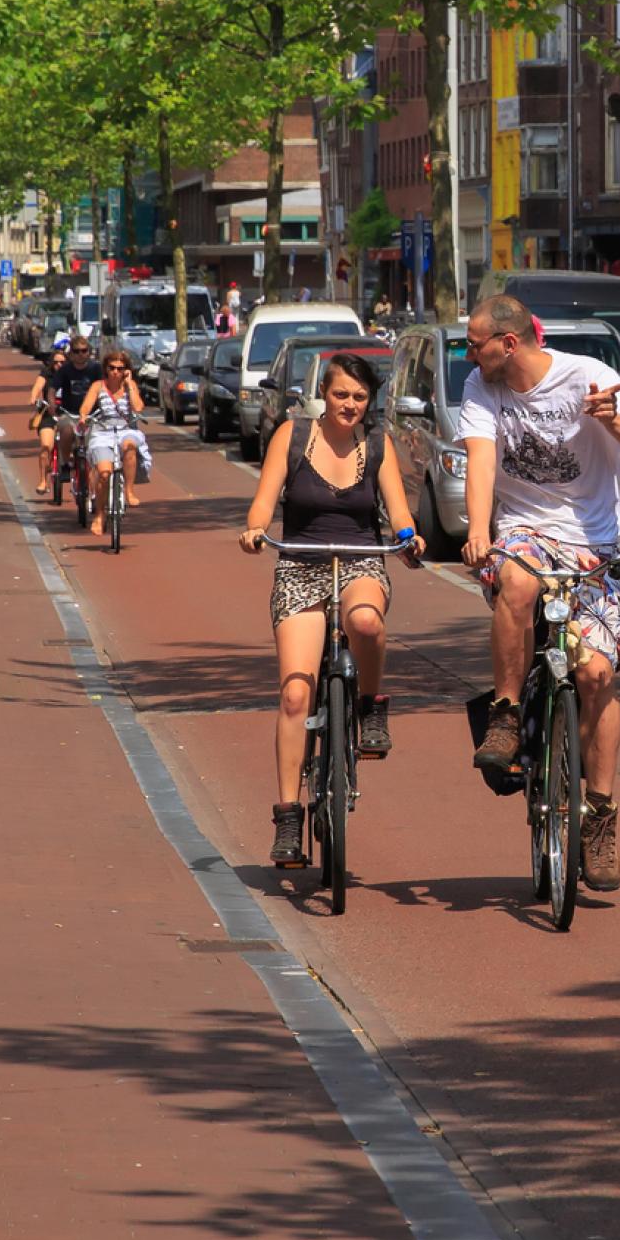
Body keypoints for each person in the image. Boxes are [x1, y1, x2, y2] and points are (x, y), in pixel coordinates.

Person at [458, 292, 620, 892]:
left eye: (475, 342)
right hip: (526, 531)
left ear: (508, 343)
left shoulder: (588, 376)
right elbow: (481, 462)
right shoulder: (480, 386)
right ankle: (508, 715)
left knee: (595, 675)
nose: (468, 352)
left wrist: (610, 420)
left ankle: (599, 818)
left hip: (592, 541)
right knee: (515, 580)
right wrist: (476, 530)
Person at [239, 354, 421, 866]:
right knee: (297, 694)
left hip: (362, 561)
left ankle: (369, 707)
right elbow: (264, 501)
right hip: (299, 564)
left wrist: (409, 539)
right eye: (341, 395)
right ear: (325, 392)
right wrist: (254, 530)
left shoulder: (378, 445)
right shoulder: (292, 436)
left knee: (365, 621)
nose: (350, 405)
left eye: (360, 398)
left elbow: (399, 513)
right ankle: (288, 820)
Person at [77, 349, 150, 536]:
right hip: (103, 432)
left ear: (126, 370)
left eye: (120, 368)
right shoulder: (98, 386)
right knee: (103, 473)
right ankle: (100, 516)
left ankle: (129, 491)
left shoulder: (130, 385)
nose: (116, 372)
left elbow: (139, 407)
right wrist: (84, 417)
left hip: (126, 429)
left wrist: (129, 384)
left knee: (129, 446)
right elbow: (86, 406)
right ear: (106, 369)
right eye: (112, 368)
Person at [24, 344, 74, 492]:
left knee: (77, 447)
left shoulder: (71, 375)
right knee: (46, 447)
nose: (59, 365)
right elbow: (37, 387)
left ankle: (76, 475)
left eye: (62, 362)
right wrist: (33, 397)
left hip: (68, 414)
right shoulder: (46, 374)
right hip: (49, 414)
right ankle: (43, 481)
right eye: (56, 362)